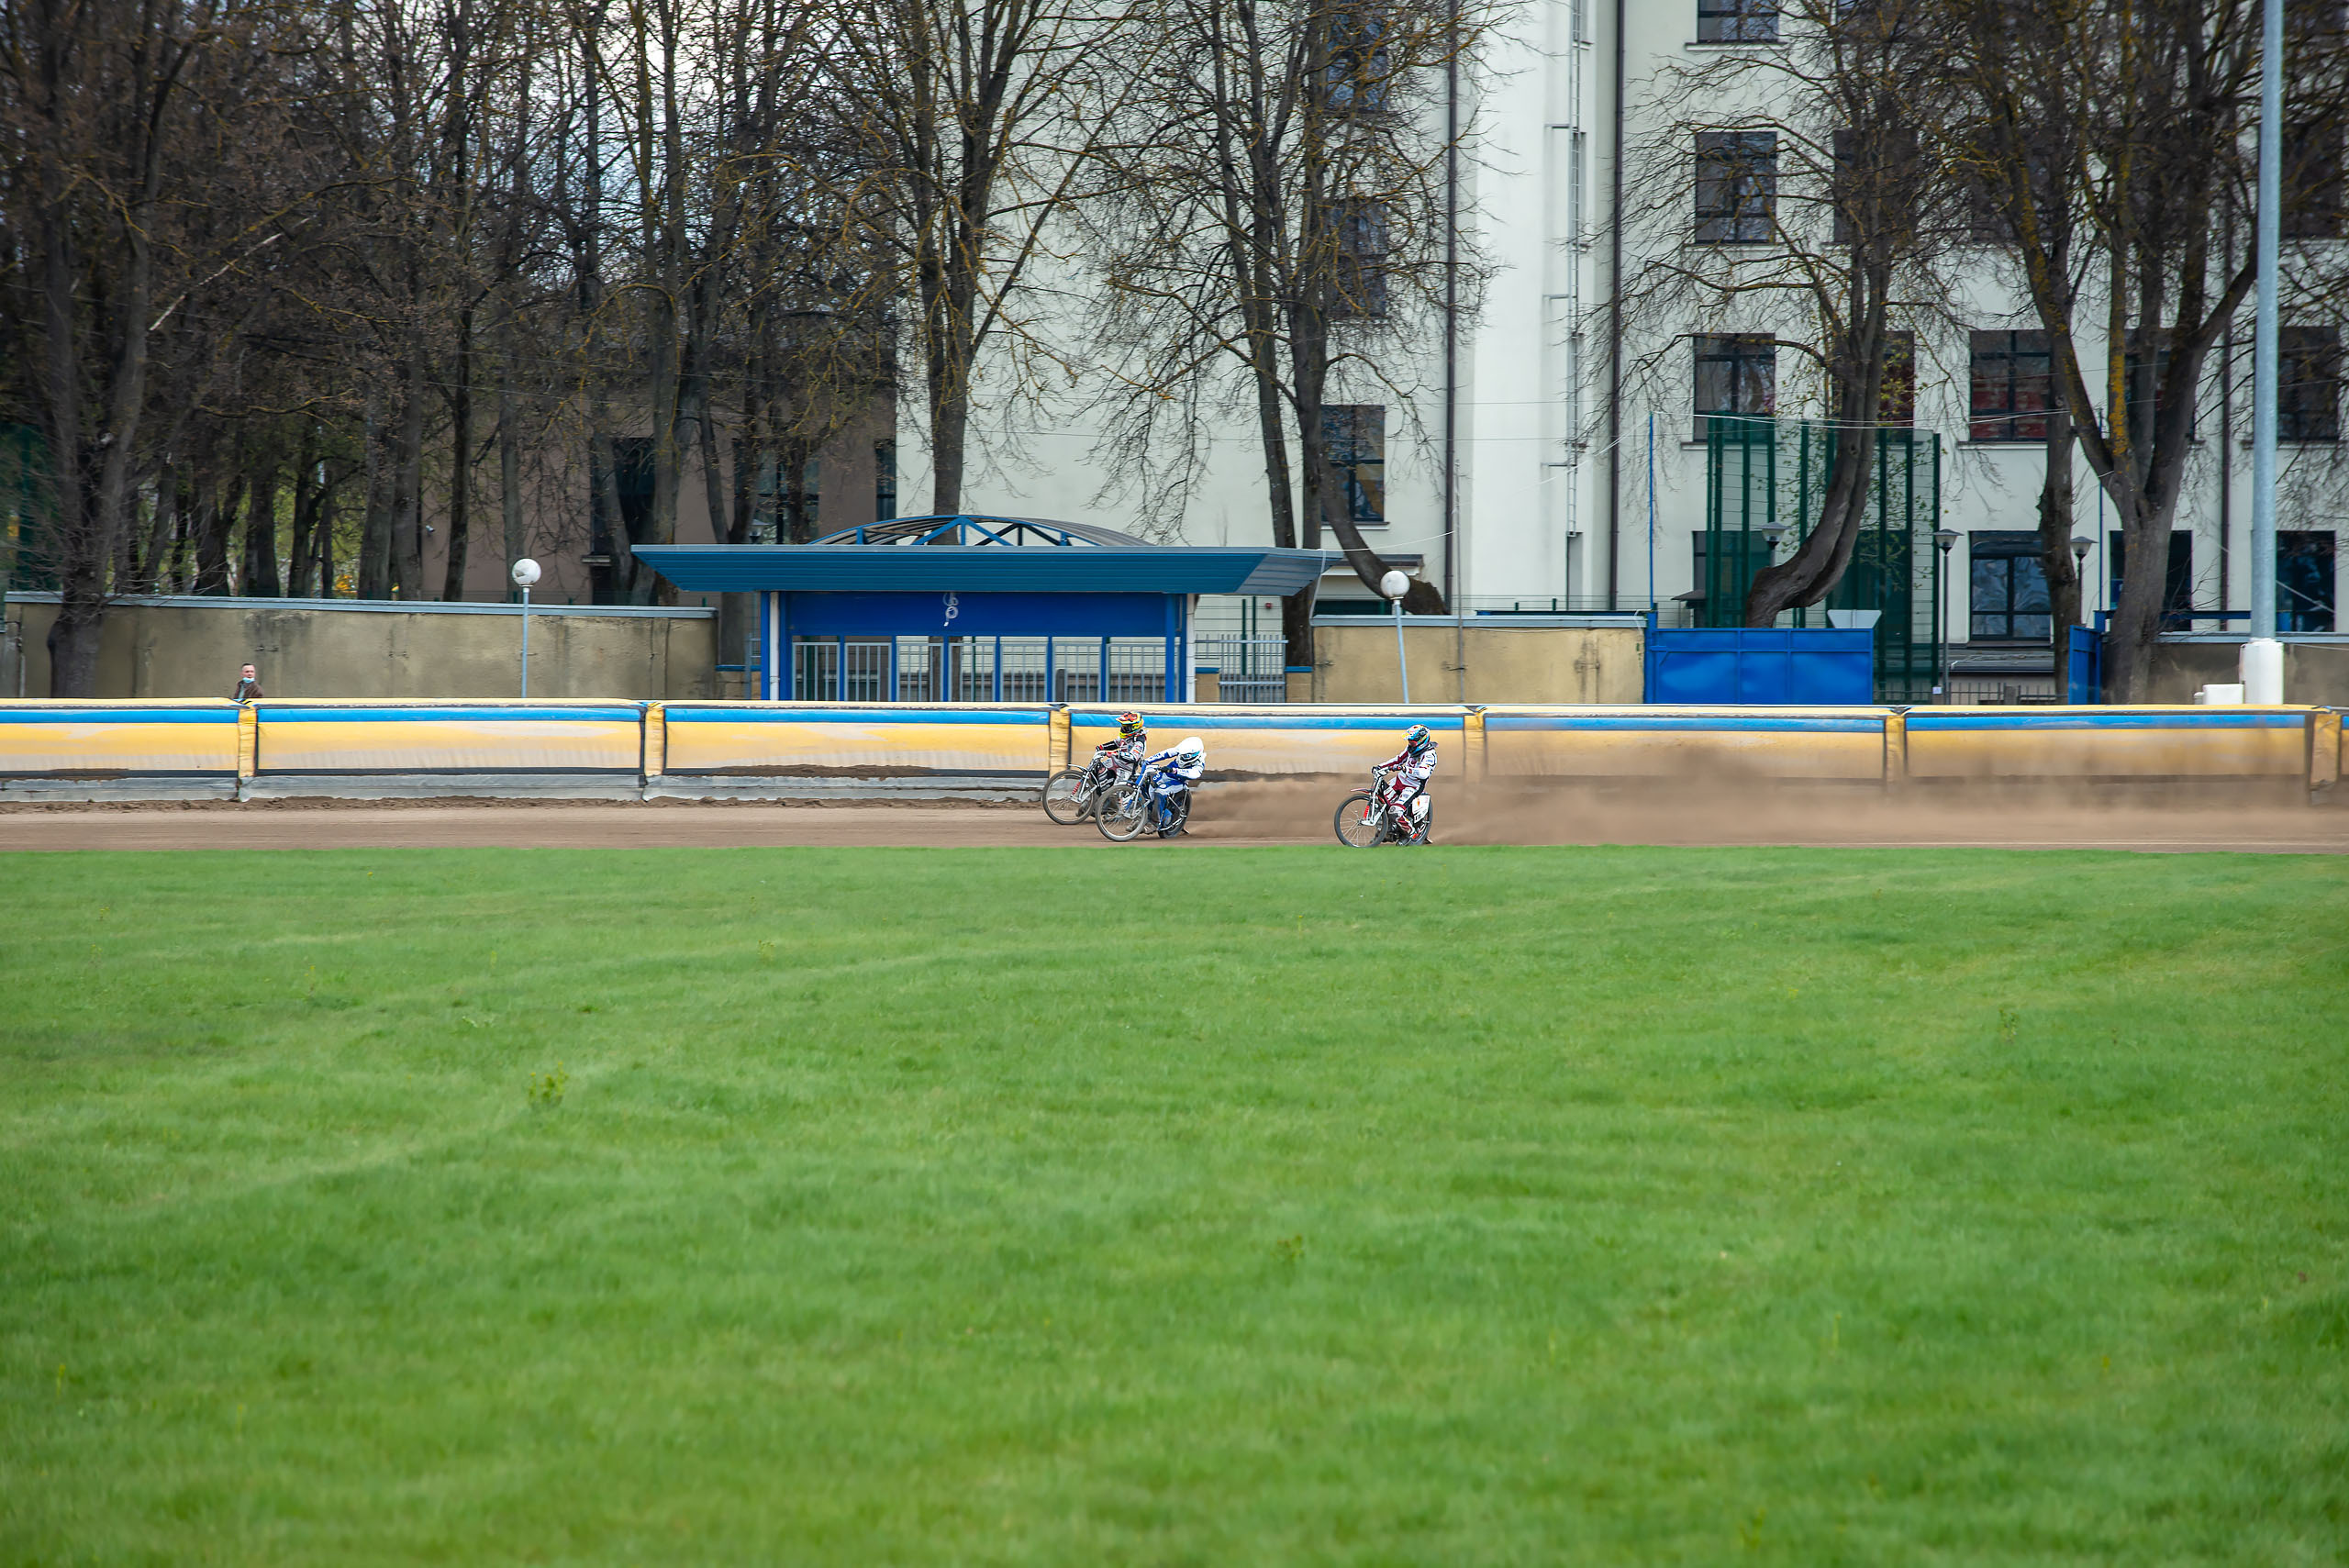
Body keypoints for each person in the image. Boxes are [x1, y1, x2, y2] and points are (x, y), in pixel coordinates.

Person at [1375, 723, 1436, 842]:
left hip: (1413, 786)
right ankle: (1385, 831)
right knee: (1379, 799)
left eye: (1412, 742)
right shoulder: (1410, 749)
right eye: (1409, 741)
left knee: (1395, 811)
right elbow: (1398, 759)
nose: (1410, 744)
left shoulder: (1429, 754)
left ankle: (1411, 833)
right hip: (1398, 781)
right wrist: (1380, 767)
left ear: (1422, 741)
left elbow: (1424, 773)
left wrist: (1405, 769)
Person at [1141, 734, 1205, 837]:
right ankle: (1144, 816)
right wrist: (1148, 760)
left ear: (1196, 754)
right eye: (1182, 754)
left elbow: (1194, 774)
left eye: (1186, 756)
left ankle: (1154, 823)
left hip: (1178, 782)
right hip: (1165, 774)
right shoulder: (1182, 750)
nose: (1183, 757)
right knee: (1146, 786)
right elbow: (1166, 753)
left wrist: (1175, 770)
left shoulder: (1199, 764)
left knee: (1160, 791)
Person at [1089, 710, 1148, 785]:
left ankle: (1114, 795)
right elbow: (1116, 743)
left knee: (1117, 792)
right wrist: (1101, 747)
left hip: (1126, 768)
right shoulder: (1126, 736)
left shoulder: (1139, 739)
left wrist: (1115, 753)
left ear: (1134, 727)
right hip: (1115, 761)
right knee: (1096, 769)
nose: (1123, 728)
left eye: (1126, 727)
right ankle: (1095, 790)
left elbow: (1133, 757)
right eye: (1123, 726)